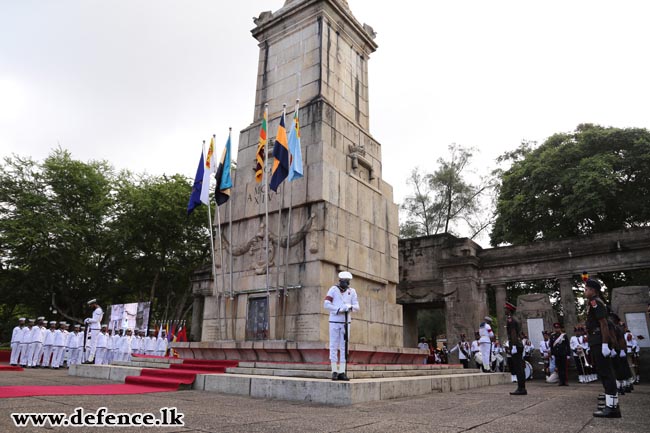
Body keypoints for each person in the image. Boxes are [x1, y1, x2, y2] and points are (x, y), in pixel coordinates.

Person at [584, 278, 621, 418]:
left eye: (586, 289)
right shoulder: (594, 303)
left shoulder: (595, 303)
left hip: (599, 341)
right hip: (597, 340)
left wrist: (605, 344)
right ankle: (610, 403)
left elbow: (604, 324)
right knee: (604, 372)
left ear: (593, 290)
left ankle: (612, 408)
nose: (585, 291)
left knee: (606, 373)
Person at [323, 271, 359, 381]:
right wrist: (338, 309)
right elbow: (326, 304)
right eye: (344, 282)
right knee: (333, 346)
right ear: (340, 281)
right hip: (334, 321)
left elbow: (357, 306)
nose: (346, 284)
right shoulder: (333, 290)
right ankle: (334, 370)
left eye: (348, 282)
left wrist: (350, 307)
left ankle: (342, 371)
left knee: (344, 347)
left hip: (346, 322)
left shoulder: (352, 291)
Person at [505, 302, 526, 395]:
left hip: (515, 345)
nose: (504, 310)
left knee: (518, 367)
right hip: (519, 344)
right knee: (520, 367)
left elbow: (513, 333)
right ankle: (522, 387)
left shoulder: (511, 320)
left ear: (509, 310)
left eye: (506, 309)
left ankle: (521, 388)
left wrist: (513, 346)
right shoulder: (516, 319)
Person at [84, 299, 104, 363]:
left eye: (91, 305)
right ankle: (91, 358)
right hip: (94, 327)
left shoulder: (98, 310)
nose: (90, 306)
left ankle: (91, 359)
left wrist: (88, 319)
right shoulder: (97, 310)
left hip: (95, 327)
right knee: (93, 343)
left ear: (94, 304)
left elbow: (96, 320)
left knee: (93, 344)